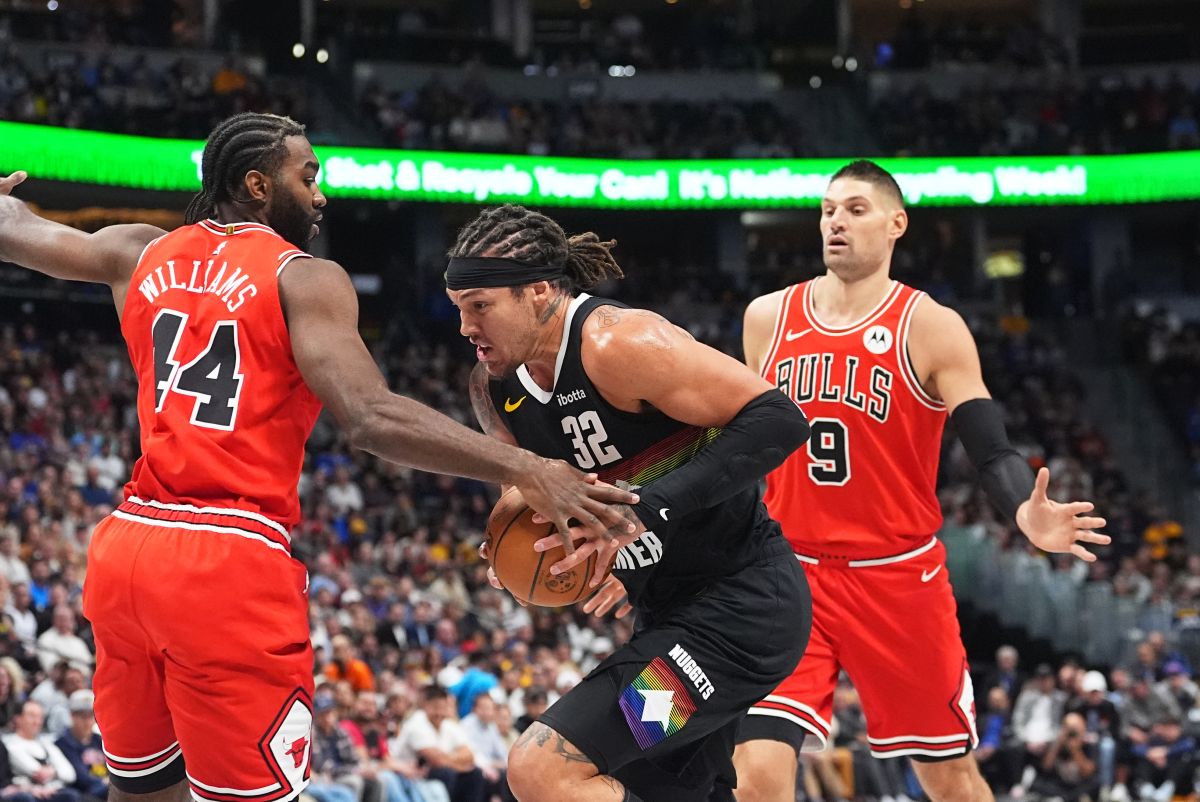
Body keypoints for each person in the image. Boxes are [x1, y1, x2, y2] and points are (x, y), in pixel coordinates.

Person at [0, 112, 637, 802]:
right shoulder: (301, 278)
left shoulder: (138, 250)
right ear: (257, 185)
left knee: (141, 791)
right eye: (307, 178)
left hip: (127, 549)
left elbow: (18, 231)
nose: (320, 194)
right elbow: (369, 417)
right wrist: (526, 467)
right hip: (226, 558)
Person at [732, 160, 1110, 802]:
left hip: (897, 579)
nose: (836, 222)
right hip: (790, 572)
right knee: (756, 772)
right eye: (828, 210)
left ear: (896, 224)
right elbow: (743, 449)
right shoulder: (768, 317)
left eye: (855, 209)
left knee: (949, 780)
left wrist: (1024, 511)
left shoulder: (930, 325)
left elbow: (990, 448)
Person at [445, 203, 812, 801]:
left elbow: (778, 419)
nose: (465, 327)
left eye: (480, 306)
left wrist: (646, 511)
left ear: (538, 292)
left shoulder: (619, 343)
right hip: (668, 617)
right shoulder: (494, 386)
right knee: (676, 792)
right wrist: (508, 543)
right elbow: (525, 494)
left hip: (739, 612)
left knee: (544, 768)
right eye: (459, 308)